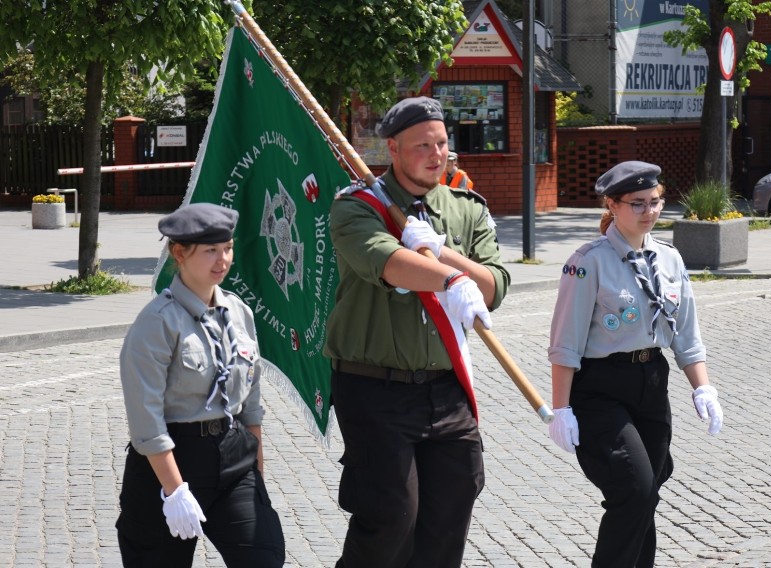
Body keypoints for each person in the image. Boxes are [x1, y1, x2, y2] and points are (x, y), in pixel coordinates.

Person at [324, 96, 510, 568]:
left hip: (446, 389)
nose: (437, 154)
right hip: (374, 387)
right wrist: (450, 280)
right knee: (390, 516)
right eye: (422, 145)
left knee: (452, 507)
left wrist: (446, 256)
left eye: (443, 144)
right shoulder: (357, 208)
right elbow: (386, 263)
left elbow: (494, 286)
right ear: (393, 149)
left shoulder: (466, 208)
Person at [547, 161, 724, 568]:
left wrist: (703, 387)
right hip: (600, 388)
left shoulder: (669, 259)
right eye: (638, 203)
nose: (649, 211)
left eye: (656, 201)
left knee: (650, 490)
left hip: (650, 380)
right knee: (634, 489)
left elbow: (686, 333)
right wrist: (561, 408)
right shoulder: (588, 261)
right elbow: (565, 343)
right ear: (612, 204)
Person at [115, 202, 286, 567]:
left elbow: (250, 400)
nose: (222, 259)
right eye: (210, 250)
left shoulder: (238, 312)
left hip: (231, 456)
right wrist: (174, 491)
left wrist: (256, 468)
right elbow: (146, 418)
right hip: (171, 461)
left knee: (264, 557)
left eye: (227, 248)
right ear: (179, 253)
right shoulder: (157, 323)